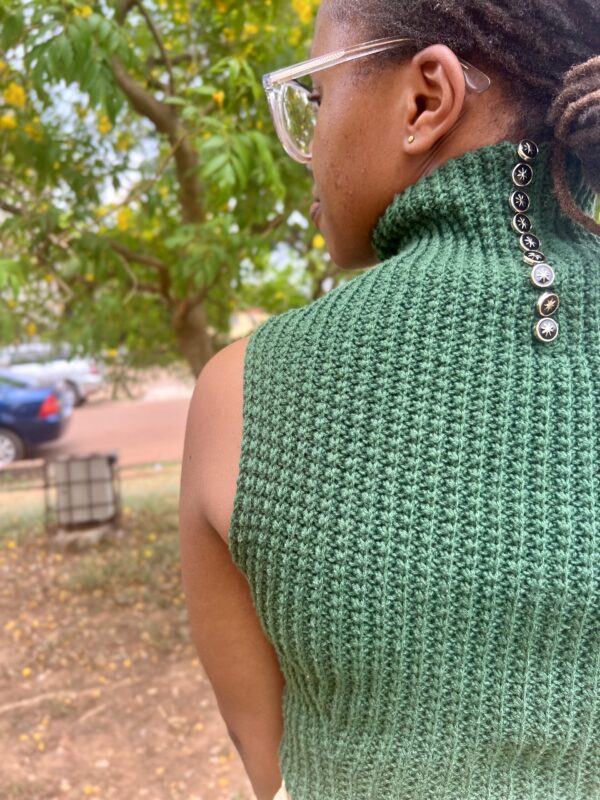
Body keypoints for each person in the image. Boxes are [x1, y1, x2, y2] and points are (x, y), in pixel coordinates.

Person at [179, 1, 600, 798]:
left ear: (426, 99)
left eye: (315, 98)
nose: (308, 148)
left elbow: (274, 766)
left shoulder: (243, 393)